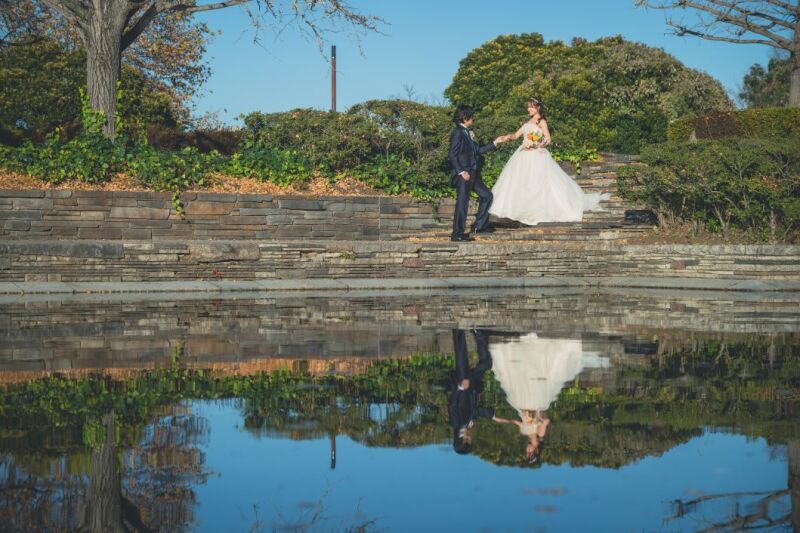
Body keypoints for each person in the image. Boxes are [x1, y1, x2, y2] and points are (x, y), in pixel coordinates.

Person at [489, 332, 610, 462]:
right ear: (535, 450)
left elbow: (517, 422)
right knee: (535, 376)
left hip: (521, 402)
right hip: (535, 403)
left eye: (526, 452)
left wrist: (498, 419)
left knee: (517, 376)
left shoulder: (526, 433)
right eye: (529, 452)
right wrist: (537, 417)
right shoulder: (540, 434)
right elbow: (546, 421)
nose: (527, 450)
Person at [489, 98, 609, 226]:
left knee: (537, 183)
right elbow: (516, 136)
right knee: (519, 182)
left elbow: (548, 139)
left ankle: (538, 210)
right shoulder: (527, 122)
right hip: (522, 154)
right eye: (528, 107)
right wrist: (507, 137)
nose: (529, 109)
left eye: (532, 107)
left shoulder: (542, 121)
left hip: (536, 155)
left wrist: (536, 145)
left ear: (538, 108)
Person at [448, 106, 508, 242]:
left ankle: (478, 227)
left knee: (487, 196)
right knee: (462, 203)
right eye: (471, 117)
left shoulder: (467, 132)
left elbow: (478, 150)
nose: (473, 119)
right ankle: (457, 234)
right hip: (464, 174)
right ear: (465, 118)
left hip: (473, 174)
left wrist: (495, 142)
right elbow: (452, 154)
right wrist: (461, 172)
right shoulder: (458, 132)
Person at [448, 329, 494, 454]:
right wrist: (490, 414)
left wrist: (460, 388)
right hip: (472, 384)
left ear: (462, 439)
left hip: (462, 384)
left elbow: (452, 405)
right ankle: (478, 333)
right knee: (486, 364)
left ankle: (458, 330)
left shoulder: (456, 423)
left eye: (468, 439)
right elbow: (475, 411)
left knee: (461, 356)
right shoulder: (467, 423)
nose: (470, 437)